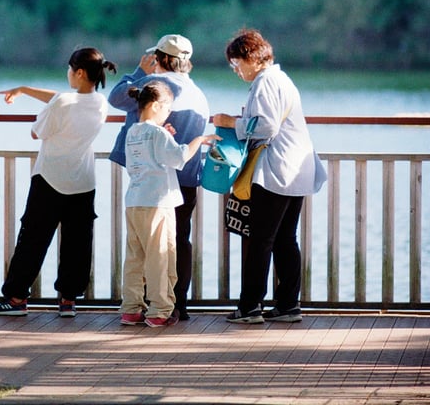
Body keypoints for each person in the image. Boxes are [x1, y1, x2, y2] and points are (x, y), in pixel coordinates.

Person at [0, 47, 117, 317]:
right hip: (83, 181)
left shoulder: (62, 103)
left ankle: (16, 299)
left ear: (79, 72)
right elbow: (66, 100)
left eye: (70, 69)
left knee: (33, 239)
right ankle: (68, 300)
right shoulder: (101, 103)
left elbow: (38, 132)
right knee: (77, 243)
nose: (68, 73)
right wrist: (25, 89)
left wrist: (31, 96)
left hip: (50, 179)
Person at [213, 28, 326, 325]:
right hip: (297, 170)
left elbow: (265, 127)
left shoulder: (265, 82)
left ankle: (250, 306)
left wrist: (230, 122)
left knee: (260, 239)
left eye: (236, 64)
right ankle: (288, 304)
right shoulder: (281, 79)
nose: (236, 71)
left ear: (251, 58)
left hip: (276, 171)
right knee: (286, 239)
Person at [108, 34, 210, 320]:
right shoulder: (198, 93)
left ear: (160, 58)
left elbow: (116, 97)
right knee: (178, 242)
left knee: (144, 248)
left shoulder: (155, 87)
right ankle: (176, 305)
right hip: (186, 179)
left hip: (152, 185)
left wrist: (140, 71)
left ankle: (142, 306)